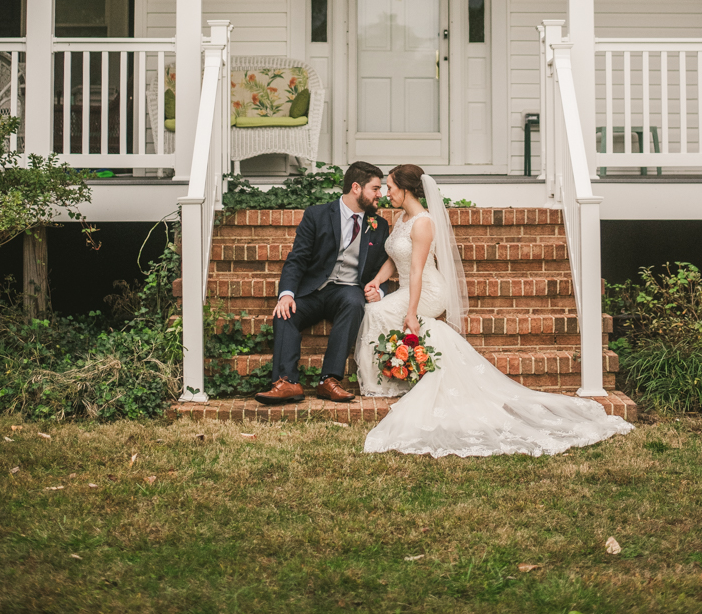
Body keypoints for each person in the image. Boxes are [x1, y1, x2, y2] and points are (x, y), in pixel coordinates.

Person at [356, 165, 633, 457]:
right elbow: (395, 258)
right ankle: (390, 377)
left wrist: (411, 313)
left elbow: (415, 269)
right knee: (376, 309)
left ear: (406, 189)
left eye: (390, 187)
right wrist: (376, 280)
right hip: (408, 288)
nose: (387, 194)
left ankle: (382, 384)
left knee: (377, 313)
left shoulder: (423, 223)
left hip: (427, 290)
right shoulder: (402, 218)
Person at [255, 161, 389, 405]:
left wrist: (378, 289)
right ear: (356, 188)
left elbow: (383, 267)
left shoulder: (379, 226)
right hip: (313, 290)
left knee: (354, 303)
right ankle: (287, 382)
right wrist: (286, 293)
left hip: (348, 291)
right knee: (285, 313)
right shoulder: (317, 215)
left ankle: (329, 380)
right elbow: (297, 259)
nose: (381, 195)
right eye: (376, 188)